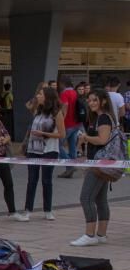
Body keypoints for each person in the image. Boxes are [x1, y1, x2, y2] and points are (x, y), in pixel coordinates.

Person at [71, 89, 115, 247]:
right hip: (100, 163)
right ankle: (101, 234)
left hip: (99, 165)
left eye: (95, 100)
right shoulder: (100, 117)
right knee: (100, 199)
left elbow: (102, 139)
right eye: (89, 100)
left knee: (86, 197)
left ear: (103, 101)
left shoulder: (103, 118)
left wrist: (85, 137)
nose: (91, 103)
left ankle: (90, 234)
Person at [19, 86, 65, 221]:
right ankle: (27, 210)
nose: (37, 96)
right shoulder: (37, 111)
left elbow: (62, 134)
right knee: (31, 180)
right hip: (33, 150)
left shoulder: (57, 113)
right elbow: (28, 105)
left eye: (40, 94)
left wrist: (44, 134)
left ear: (47, 97)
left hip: (49, 150)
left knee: (46, 180)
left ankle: (48, 210)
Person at [57, 76, 81, 178]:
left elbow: (65, 107)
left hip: (67, 124)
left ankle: (70, 166)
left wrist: (61, 121)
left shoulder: (64, 93)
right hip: (76, 123)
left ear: (63, 83)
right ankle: (70, 168)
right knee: (72, 147)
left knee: (57, 146)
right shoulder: (75, 93)